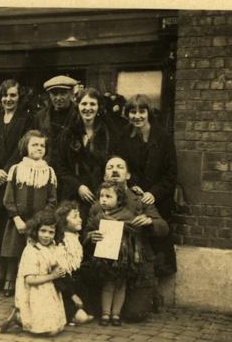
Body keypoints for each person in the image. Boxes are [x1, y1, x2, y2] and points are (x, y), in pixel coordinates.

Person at [95, 156, 170, 322]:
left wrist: (150, 221)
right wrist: (91, 236)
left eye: (120, 167)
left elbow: (163, 227)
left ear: (128, 175)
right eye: (110, 167)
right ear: (105, 176)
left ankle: (150, 294)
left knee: (134, 315)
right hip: (109, 264)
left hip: (137, 262)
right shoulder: (100, 201)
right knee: (97, 306)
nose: (114, 170)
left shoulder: (139, 198)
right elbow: (88, 227)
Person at [115, 94, 178, 288]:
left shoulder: (163, 138)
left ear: (148, 113)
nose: (137, 116)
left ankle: (153, 290)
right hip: (133, 196)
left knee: (156, 240)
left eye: (141, 111)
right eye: (133, 112)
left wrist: (154, 193)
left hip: (157, 199)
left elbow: (171, 173)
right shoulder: (123, 137)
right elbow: (121, 166)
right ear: (127, 114)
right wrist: (132, 185)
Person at [0, 79, 34, 295]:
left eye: (12, 95)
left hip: (14, 182)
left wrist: (8, 170)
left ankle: (11, 278)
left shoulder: (26, 120)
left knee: (11, 232)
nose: (8, 99)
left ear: (19, 97)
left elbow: (23, 148)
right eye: (5, 95)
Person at [0, 130, 57, 297]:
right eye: (34, 144)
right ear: (25, 147)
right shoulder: (17, 169)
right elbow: (8, 199)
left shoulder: (49, 172)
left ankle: (32, 283)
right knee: (14, 251)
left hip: (38, 224)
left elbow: (52, 200)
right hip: (19, 221)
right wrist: (16, 218)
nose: (38, 148)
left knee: (35, 253)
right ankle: (10, 281)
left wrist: (41, 221)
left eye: (42, 145)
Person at [54, 87, 121, 222]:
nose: (88, 108)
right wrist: (79, 186)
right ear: (78, 106)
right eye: (84, 104)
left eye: (92, 104)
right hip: (74, 194)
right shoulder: (68, 133)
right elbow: (61, 167)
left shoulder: (108, 133)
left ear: (98, 107)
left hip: (101, 194)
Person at [0, 210, 66, 336]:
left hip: (47, 288)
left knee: (56, 329)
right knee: (46, 330)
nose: (47, 235)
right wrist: (53, 275)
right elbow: (30, 280)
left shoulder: (52, 246)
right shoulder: (31, 251)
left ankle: (21, 318)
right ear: (36, 231)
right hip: (35, 290)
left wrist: (59, 268)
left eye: (51, 232)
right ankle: (19, 317)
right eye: (43, 231)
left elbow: (53, 262)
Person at [54, 201, 93, 325]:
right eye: (75, 216)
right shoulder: (61, 243)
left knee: (89, 313)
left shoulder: (76, 238)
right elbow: (63, 274)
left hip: (75, 285)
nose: (80, 219)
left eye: (80, 216)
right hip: (63, 288)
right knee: (82, 317)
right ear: (63, 221)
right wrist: (72, 295)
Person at [33, 75, 79, 163]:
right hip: (47, 167)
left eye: (63, 93)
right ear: (49, 95)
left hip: (72, 168)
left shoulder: (78, 114)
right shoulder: (40, 116)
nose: (58, 98)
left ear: (71, 93)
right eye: (54, 93)